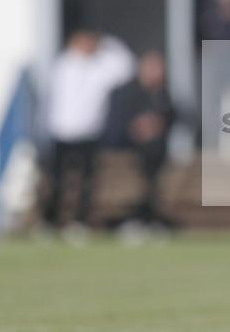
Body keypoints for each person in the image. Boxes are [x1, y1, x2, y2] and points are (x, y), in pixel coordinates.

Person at [44, 31, 134, 230]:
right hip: (62, 131)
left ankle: (79, 221)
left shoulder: (100, 67)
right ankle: (50, 222)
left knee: (87, 182)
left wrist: (106, 42)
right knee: (57, 179)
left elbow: (126, 66)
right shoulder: (62, 65)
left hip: (88, 133)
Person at [102, 51, 176, 229]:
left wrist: (158, 124)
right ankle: (140, 215)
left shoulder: (162, 94)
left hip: (154, 152)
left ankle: (149, 214)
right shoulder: (125, 93)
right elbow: (116, 123)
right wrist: (136, 128)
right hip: (125, 147)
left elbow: (176, 115)